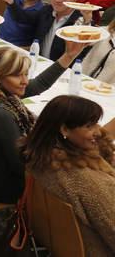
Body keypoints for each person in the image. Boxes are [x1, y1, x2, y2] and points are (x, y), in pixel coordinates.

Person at [0, 43, 86, 205]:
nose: (25, 81)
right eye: (17, 75)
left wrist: (68, 56)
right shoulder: (0, 115)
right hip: (7, 189)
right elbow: (22, 165)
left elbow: (39, 84)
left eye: (26, 74)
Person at [23, 96, 115, 256]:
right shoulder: (87, 182)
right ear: (64, 130)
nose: (98, 131)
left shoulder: (40, 158)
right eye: (89, 126)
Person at [1, 0, 89, 61]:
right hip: (39, 61)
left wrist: (87, 21)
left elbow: (82, 49)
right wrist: (11, 2)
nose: (57, 0)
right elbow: (24, 18)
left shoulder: (79, 20)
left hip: (60, 67)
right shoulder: (47, 10)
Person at [82, 18, 115, 83]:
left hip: (107, 88)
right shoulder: (105, 31)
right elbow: (83, 39)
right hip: (82, 79)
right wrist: (87, 19)